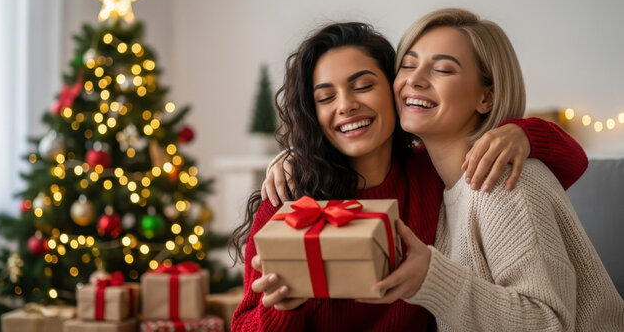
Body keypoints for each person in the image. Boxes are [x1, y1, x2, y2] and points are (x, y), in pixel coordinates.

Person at [230, 22, 587, 331]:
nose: (345, 105)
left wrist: (523, 133)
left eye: (363, 85)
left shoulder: (433, 173)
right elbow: (245, 325)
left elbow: (572, 166)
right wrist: (280, 309)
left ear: (395, 89)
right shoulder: (290, 200)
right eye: (325, 97)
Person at [359, 8, 624, 331]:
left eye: (442, 69)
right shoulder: (430, 181)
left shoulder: (503, 181)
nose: (414, 79)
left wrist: (433, 280)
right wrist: (294, 160)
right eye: (408, 65)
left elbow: (546, 324)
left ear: (486, 97)